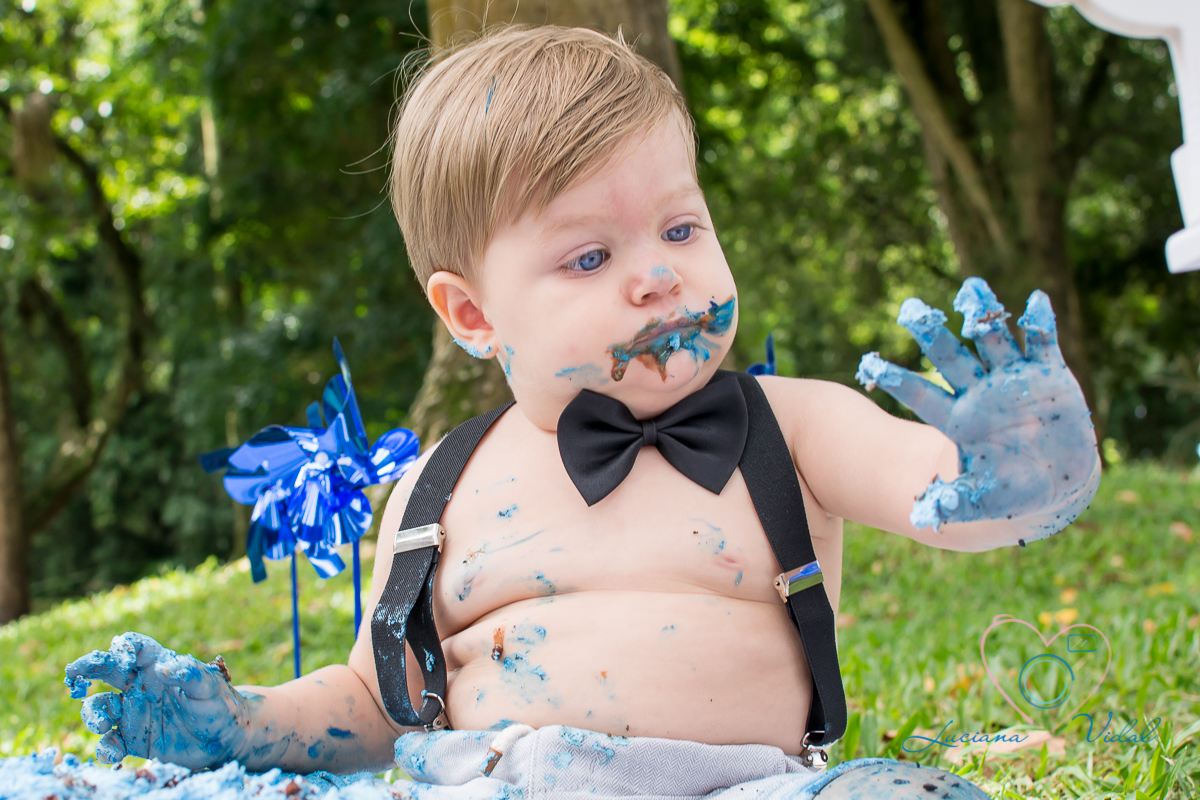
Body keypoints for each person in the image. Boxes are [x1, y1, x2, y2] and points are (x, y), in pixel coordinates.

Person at [63, 25, 1099, 799]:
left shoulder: (793, 424)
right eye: (591, 255)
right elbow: (378, 704)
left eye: (681, 227)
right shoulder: (439, 487)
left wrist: (1028, 467)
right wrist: (239, 720)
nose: (658, 276)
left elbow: (959, 501)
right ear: (471, 312)